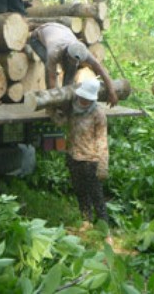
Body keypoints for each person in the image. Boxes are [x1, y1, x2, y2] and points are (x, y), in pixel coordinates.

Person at [52, 78, 110, 234]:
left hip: (91, 160)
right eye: (82, 97)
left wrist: (103, 165)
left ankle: (104, 227)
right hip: (73, 156)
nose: (83, 100)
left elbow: (102, 140)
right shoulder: (73, 108)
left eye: (87, 98)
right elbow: (61, 122)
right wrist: (52, 111)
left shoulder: (98, 114)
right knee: (80, 191)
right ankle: (86, 221)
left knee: (96, 194)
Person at [29, 22, 119, 107]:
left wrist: (112, 91)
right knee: (48, 65)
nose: (74, 63)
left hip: (62, 30)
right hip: (37, 38)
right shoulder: (54, 51)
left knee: (71, 72)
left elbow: (100, 70)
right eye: (71, 60)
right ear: (67, 54)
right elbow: (52, 78)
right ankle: (51, 106)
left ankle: (66, 101)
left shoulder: (82, 50)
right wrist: (53, 101)